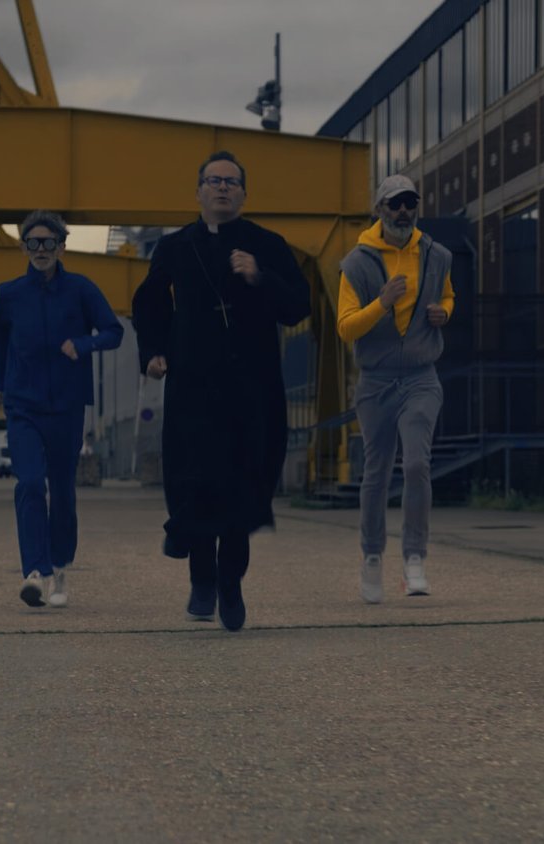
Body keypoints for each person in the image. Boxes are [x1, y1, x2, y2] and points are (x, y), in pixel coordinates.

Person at [131, 151, 311, 631]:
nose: (223, 188)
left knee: (241, 487)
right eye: (214, 181)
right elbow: (149, 303)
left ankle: (230, 583)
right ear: (198, 192)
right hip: (193, 387)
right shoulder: (174, 247)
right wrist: (153, 351)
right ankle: (201, 578)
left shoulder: (267, 245)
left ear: (244, 194)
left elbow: (299, 305)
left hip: (251, 389)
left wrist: (259, 276)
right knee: (195, 482)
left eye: (231, 182)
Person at [0, 210, 124, 609]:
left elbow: (113, 331)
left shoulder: (81, 289)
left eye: (49, 242)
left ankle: (60, 566)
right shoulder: (9, 294)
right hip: (23, 404)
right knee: (30, 483)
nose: (41, 249)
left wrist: (83, 344)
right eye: (33, 242)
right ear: (23, 247)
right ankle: (34, 572)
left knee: (62, 490)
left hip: (67, 404)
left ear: (62, 247)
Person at [336, 175, 455, 604]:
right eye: (394, 204)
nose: (403, 211)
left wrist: (444, 312)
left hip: (421, 377)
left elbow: (448, 296)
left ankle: (415, 559)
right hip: (376, 382)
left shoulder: (437, 255)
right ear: (379, 210)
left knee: (418, 463)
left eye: (410, 203)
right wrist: (382, 302)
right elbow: (346, 327)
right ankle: (372, 556)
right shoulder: (356, 263)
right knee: (377, 471)